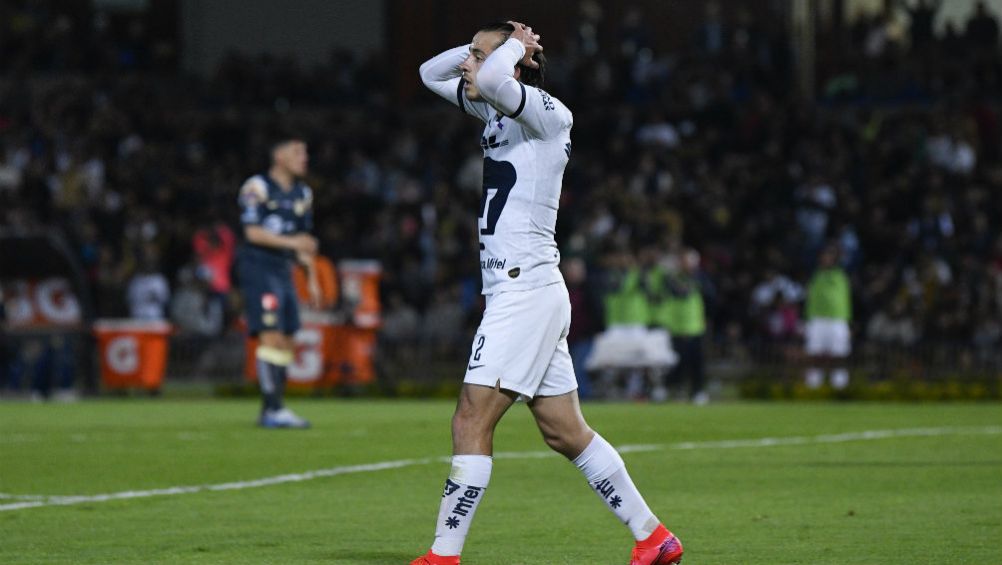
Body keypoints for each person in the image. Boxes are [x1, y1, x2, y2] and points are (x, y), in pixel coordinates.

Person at [413, 21, 682, 565]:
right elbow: (428, 72)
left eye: (479, 57)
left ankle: (443, 556)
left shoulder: (547, 114)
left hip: (524, 291)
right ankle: (653, 537)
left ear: (517, 66)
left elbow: (490, 75)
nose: (467, 66)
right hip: (526, 292)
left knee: (470, 419)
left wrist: (515, 47)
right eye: (470, 56)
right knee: (564, 430)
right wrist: (483, 47)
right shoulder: (491, 108)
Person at [237, 134, 321, 429]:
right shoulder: (256, 188)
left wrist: (311, 277)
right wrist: (293, 243)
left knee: (286, 338)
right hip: (259, 268)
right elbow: (253, 233)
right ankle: (272, 408)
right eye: (298, 151)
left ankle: (275, 407)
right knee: (270, 335)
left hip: (284, 271)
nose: (304, 158)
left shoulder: (302, 194)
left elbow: (303, 243)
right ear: (280, 156)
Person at [804, 245, 852, 389]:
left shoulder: (841, 276)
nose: (826, 259)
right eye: (824, 256)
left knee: (839, 353)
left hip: (837, 319)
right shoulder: (816, 275)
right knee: (815, 353)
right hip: (817, 319)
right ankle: (813, 384)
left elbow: (845, 299)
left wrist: (849, 321)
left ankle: (840, 385)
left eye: (829, 256)